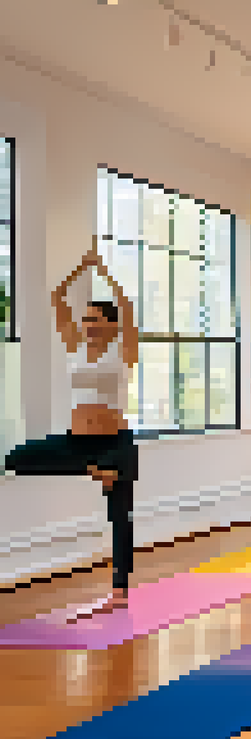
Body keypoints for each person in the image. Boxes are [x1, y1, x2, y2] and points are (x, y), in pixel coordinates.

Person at [5, 240, 139, 620]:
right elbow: (55, 298)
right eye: (86, 319)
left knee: (120, 517)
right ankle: (91, 470)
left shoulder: (122, 349)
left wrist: (104, 271)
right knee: (16, 458)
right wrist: (82, 268)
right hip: (78, 443)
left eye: (96, 319)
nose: (88, 324)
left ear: (110, 324)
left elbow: (127, 308)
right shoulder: (74, 347)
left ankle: (119, 590)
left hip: (116, 443)